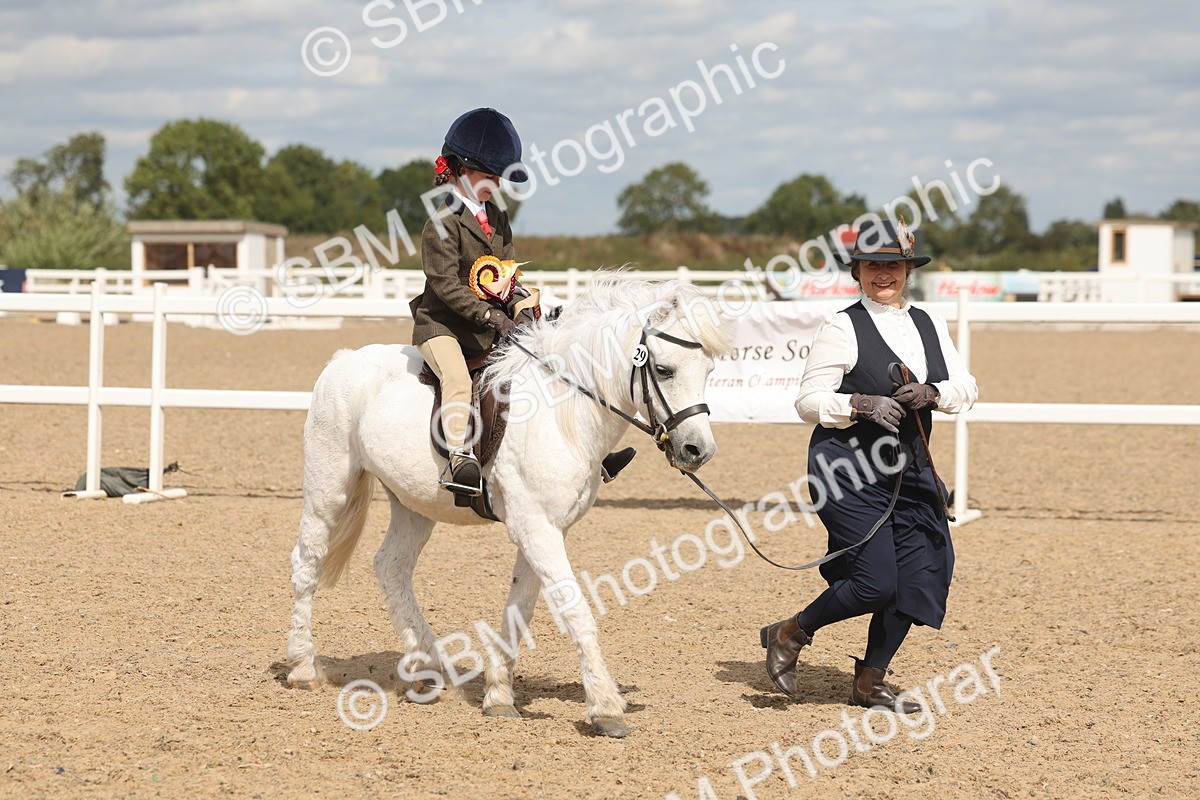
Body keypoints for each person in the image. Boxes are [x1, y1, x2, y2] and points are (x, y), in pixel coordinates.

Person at [759, 219, 977, 712]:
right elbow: (809, 400)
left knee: (923, 572)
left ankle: (869, 680)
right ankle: (791, 632)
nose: (884, 274)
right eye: (874, 265)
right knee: (876, 581)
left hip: (912, 470)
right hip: (848, 470)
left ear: (907, 270)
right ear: (858, 271)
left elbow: (968, 386)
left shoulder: (929, 323)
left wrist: (934, 392)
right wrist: (860, 403)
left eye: (893, 265)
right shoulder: (843, 325)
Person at [409, 108, 634, 496]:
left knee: (548, 367)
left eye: (498, 178)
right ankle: (459, 459)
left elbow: (505, 270)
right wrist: (488, 314)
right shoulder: (441, 224)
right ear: (462, 169)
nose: (496, 184)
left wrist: (519, 304)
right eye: (489, 176)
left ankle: (592, 456)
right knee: (458, 379)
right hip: (444, 325)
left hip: (489, 322)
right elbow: (444, 284)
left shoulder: (497, 217)